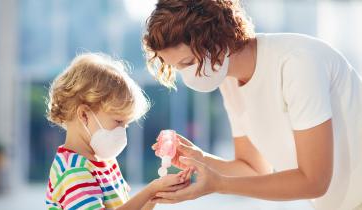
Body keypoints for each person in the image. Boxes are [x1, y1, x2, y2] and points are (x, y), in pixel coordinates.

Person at [143, 0, 362, 210]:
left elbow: (314, 181)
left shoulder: (297, 63)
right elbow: (254, 169)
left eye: (188, 62)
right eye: (178, 68)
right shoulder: (228, 79)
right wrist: (201, 159)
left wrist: (219, 185)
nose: (188, 76)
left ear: (216, 38)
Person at [45, 53, 192, 210]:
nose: (122, 132)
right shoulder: (73, 171)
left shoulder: (105, 161)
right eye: (118, 121)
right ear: (84, 114)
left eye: (126, 125)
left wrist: (155, 195)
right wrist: (151, 190)